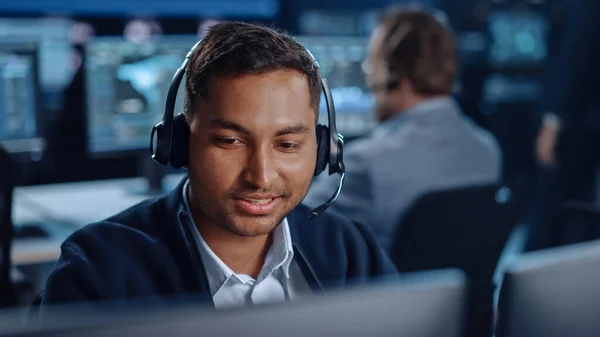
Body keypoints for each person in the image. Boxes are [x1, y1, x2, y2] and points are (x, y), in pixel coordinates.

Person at [40, 22, 397, 312]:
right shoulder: (97, 272)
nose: (260, 176)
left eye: (287, 145)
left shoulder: (353, 252)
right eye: (230, 141)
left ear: (324, 151)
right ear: (178, 142)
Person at [303, 7, 502, 253]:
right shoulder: (487, 150)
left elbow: (291, 228)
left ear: (392, 73)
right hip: (456, 292)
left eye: (372, 65)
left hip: (382, 291)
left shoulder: (364, 163)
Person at [527, 0, 600, 250]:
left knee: (554, 210)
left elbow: (575, 51)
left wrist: (554, 119)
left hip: (576, 119)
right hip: (582, 114)